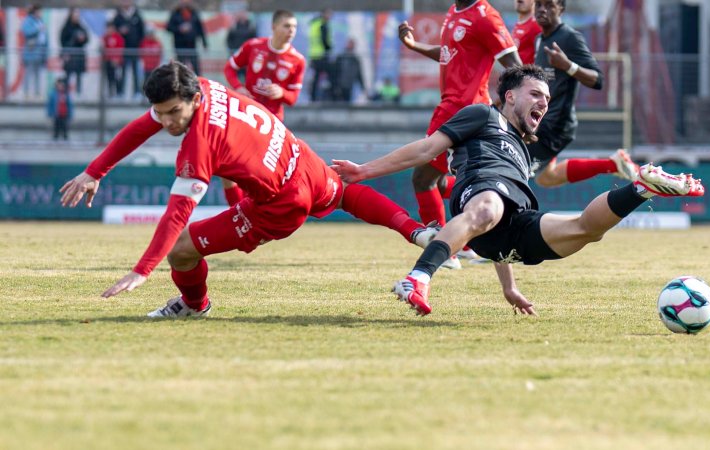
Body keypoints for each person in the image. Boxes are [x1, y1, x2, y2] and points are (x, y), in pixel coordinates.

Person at [59, 61, 437, 318]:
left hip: (279, 204)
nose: (167, 121)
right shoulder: (202, 86)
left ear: (192, 101)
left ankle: (195, 304)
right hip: (299, 158)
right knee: (344, 192)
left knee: (180, 251)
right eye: (162, 112)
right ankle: (417, 232)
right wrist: (95, 171)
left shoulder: (199, 145)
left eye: (174, 112)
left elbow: (178, 213)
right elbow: (144, 125)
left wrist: (143, 270)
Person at [332, 65, 705, 316]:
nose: (544, 102)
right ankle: (417, 278)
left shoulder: (522, 149)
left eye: (547, 98)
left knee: (586, 231)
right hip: (477, 191)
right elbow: (427, 149)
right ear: (509, 96)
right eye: (535, 94)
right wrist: (364, 170)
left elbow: (499, 216)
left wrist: (508, 287)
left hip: (512, 224)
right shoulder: (482, 115)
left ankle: (640, 187)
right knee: (488, 208)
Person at [397, 0, 523, 269]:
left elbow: (514, 65)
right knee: (441, 182)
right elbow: (448, 53)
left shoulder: (486, 17)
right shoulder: (455, 10)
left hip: (464, 110)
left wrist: (517, 110)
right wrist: (414, 46)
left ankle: (444, 251)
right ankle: (467, 243)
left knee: (422, 178)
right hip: (452, 107)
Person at [530, 0, 638, 188]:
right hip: (542, 121)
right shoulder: (540, 40)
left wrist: (568, 66)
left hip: (555, 125)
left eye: (548, 5)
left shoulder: (570, 37)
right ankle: (613, 164)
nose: (541, 9)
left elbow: (598, 80)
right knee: (546, 178)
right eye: (538, 4)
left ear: (561, 8)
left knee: (516, 164)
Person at [223, 9, 306, 206]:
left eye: (294, 27)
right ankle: (237, 211)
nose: (291, 31)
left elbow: (293, 98)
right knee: (228, 169)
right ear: (274, 27)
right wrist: (239, 87)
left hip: (271, 124)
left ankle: (250, 213)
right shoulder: (253, 46)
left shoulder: (297, 60)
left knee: (255, 171)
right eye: (287, 26)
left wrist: (281, 93)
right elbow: (230, 68)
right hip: (245, 116)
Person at [112, 0, 145, 98]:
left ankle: (137, 92)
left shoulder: (137, 15)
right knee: (121, 72)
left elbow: (142, 32)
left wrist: (139, 45)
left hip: (135, 49)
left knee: (136, 72)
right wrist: (120, 31)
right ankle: (120, 92)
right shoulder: (118, 16)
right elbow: (113, 31)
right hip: (122, 50)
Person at [167, 0, 207, 75]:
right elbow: (168, 27)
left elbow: (200, 29)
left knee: (196, 68)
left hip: (191, 45)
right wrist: (179, 29)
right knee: (180, 68)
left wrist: (204, 43)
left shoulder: (194, 14)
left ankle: (199, 84)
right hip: (179, 45)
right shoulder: (175, 14)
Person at [59, 8, 89, 96]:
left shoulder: (81, 27)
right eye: (75, 15)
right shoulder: (66, 28)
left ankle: (78, 94)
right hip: (70, 54)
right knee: (68, 75)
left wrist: (82, 39)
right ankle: (66, 94)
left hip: (79, 55)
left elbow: (87, 39)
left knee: (79, 75)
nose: (76, 17)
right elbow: (62, 41)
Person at [21, 4, 48, 100]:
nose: (41, 13)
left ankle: (37, 93)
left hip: (40, 52)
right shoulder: (28, 20)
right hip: (31, 52)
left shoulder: (41, 21)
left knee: (38, 74)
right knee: (28, 73)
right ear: (35, 12)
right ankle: (26, 93)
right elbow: (25, 31)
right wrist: (37, 29)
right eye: (40, 11)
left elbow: (45, 37)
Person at [308, 8, 333, 102]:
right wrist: (329, 49)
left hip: (314, 55)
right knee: (330, 76)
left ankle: (313, 98)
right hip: (322, 55)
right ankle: (330, 97)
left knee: (316, 78)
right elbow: (325, 41)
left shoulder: (314, 24)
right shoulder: (323, 24)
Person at [331, 38, 364, 103]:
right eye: (350, 44)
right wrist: (335, 84)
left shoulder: (355, 59)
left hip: (349, 85)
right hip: (340, 85)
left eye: (352, 44)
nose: (351, 45)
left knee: (347, 103)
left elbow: (359, 74)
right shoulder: (341, 56)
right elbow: (335, 71)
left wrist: (363, 87)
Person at [102, 21, 125, 98]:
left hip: (116, 62)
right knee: (109, 78)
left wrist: (117, 59)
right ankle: (110, 93)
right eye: (107, 28)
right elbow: (103, 48)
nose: (108, 30)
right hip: (108, 61)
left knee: (117, 77)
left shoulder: (118, 37)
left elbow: (120, 49)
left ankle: (119, 93)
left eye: (110, 28)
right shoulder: (105, 37)